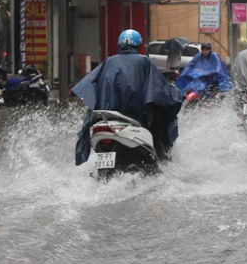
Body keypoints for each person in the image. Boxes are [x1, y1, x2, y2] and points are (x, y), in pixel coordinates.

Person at [72, 29, 183, 165]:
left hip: (108, 114)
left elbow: (93, 85)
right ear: (139, 46)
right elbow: (159, 87)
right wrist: (175, 94)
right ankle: (160, 159)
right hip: (134, 114)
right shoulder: (143, 62)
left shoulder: (109, 61)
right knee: (163, 116)